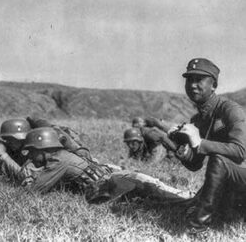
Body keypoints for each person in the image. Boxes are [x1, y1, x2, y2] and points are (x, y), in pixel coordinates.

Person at [166, 58, 246, 232]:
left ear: (214, 85)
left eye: (199, 80)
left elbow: (240, 151)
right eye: (189, 80)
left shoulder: (230, 110)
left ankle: (197, 228)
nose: (192, 85)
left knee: (219, 160)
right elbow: (195, 165)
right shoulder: (198, 120)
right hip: (235, 186)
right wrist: (179, 148)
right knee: (185, 205)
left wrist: (200, 142)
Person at [20, 127, 194, 204]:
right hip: (110, 178)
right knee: (151, 190)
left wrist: (6, 157)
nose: (32, 156)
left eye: (32, 152)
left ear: (42, 148)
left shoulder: (59, 161)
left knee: (159, 189)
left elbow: (33, 191)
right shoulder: (62, 156)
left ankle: (192, 197)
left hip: (112, 181)